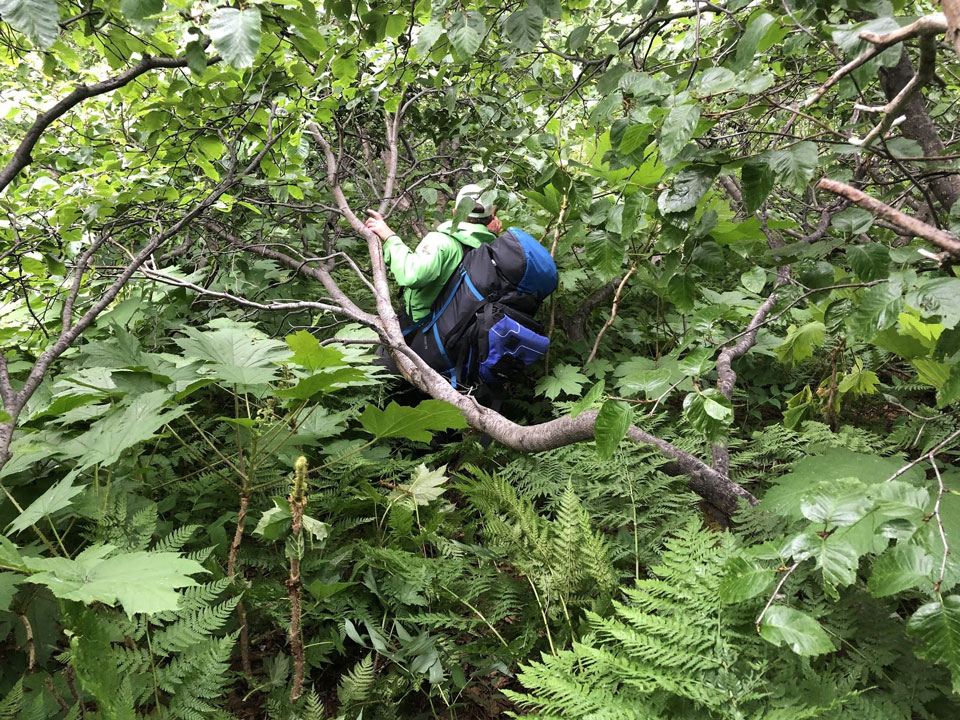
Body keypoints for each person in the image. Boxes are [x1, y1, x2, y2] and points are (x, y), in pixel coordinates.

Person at [364, 183, 502, 327]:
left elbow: (412, 275)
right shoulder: (492, 249)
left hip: (426, 327)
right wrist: (492, 235)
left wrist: (389, 237)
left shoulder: (441, 242)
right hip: (463, 326)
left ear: (455, 212)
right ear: (492, 218)